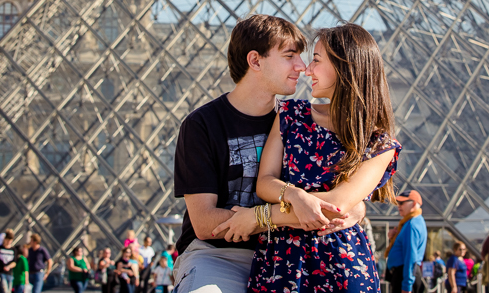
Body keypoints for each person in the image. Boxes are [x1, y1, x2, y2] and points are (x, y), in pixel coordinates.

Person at [172, 15, 366, 293]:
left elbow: (339, 197)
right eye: (290, 56)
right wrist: (277, 216)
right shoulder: (202, 124)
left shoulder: (300, 121)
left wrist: (355, 207)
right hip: (218, 256)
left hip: (291, 256)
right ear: (255, 61)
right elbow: (204, 224)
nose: (302, 66)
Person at [214, 23, 401, 293]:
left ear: (344, 66)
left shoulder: (379, 144)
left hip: (342, 265)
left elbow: (336, 205)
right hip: (281, 263)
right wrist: (295, 196)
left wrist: (259, 217)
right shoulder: (291, 114)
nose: (306, 68)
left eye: (315, 59)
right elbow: (264, 182)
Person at [386, 190, 428, 293]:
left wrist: (407, 285)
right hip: (403, 274)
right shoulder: (411, 222)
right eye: (398, 203)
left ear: (413, 203)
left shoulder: (412, 225)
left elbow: (411, 257)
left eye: (402, 203)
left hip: (404, 275)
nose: (398, 206)